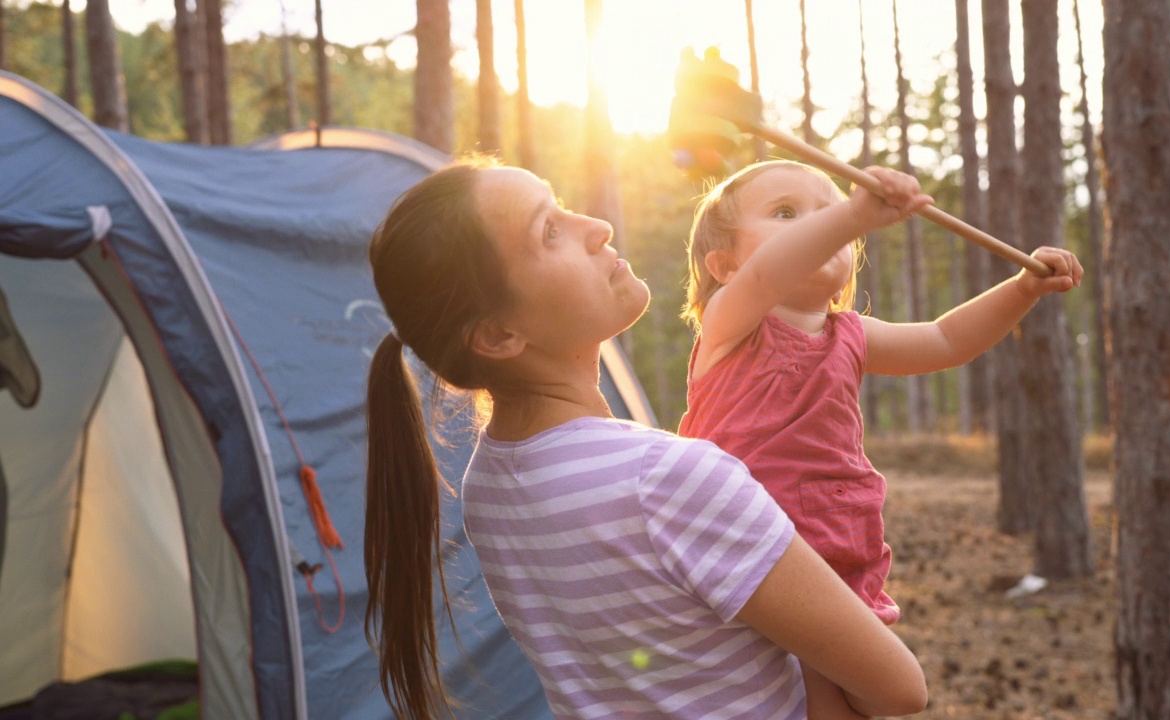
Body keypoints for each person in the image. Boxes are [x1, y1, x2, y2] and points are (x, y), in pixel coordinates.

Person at [362, 158, 929, 720]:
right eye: (550, 231)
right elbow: (900, 688)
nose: (598, 227)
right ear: (498, 334)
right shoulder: (666, 480)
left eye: (562, 206)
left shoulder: (486, 486)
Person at [677, 159, 1082, 719]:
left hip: (839, 545)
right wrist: (852, 215)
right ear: (723, 265)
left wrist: (1022, 289)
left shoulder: (851, 335)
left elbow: (945, 340)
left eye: (824, 211)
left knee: (855, 699)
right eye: (786, 212)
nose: (818, 225)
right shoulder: (732, 324)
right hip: (749, 548)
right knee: (868, 689)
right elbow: (768, 275)